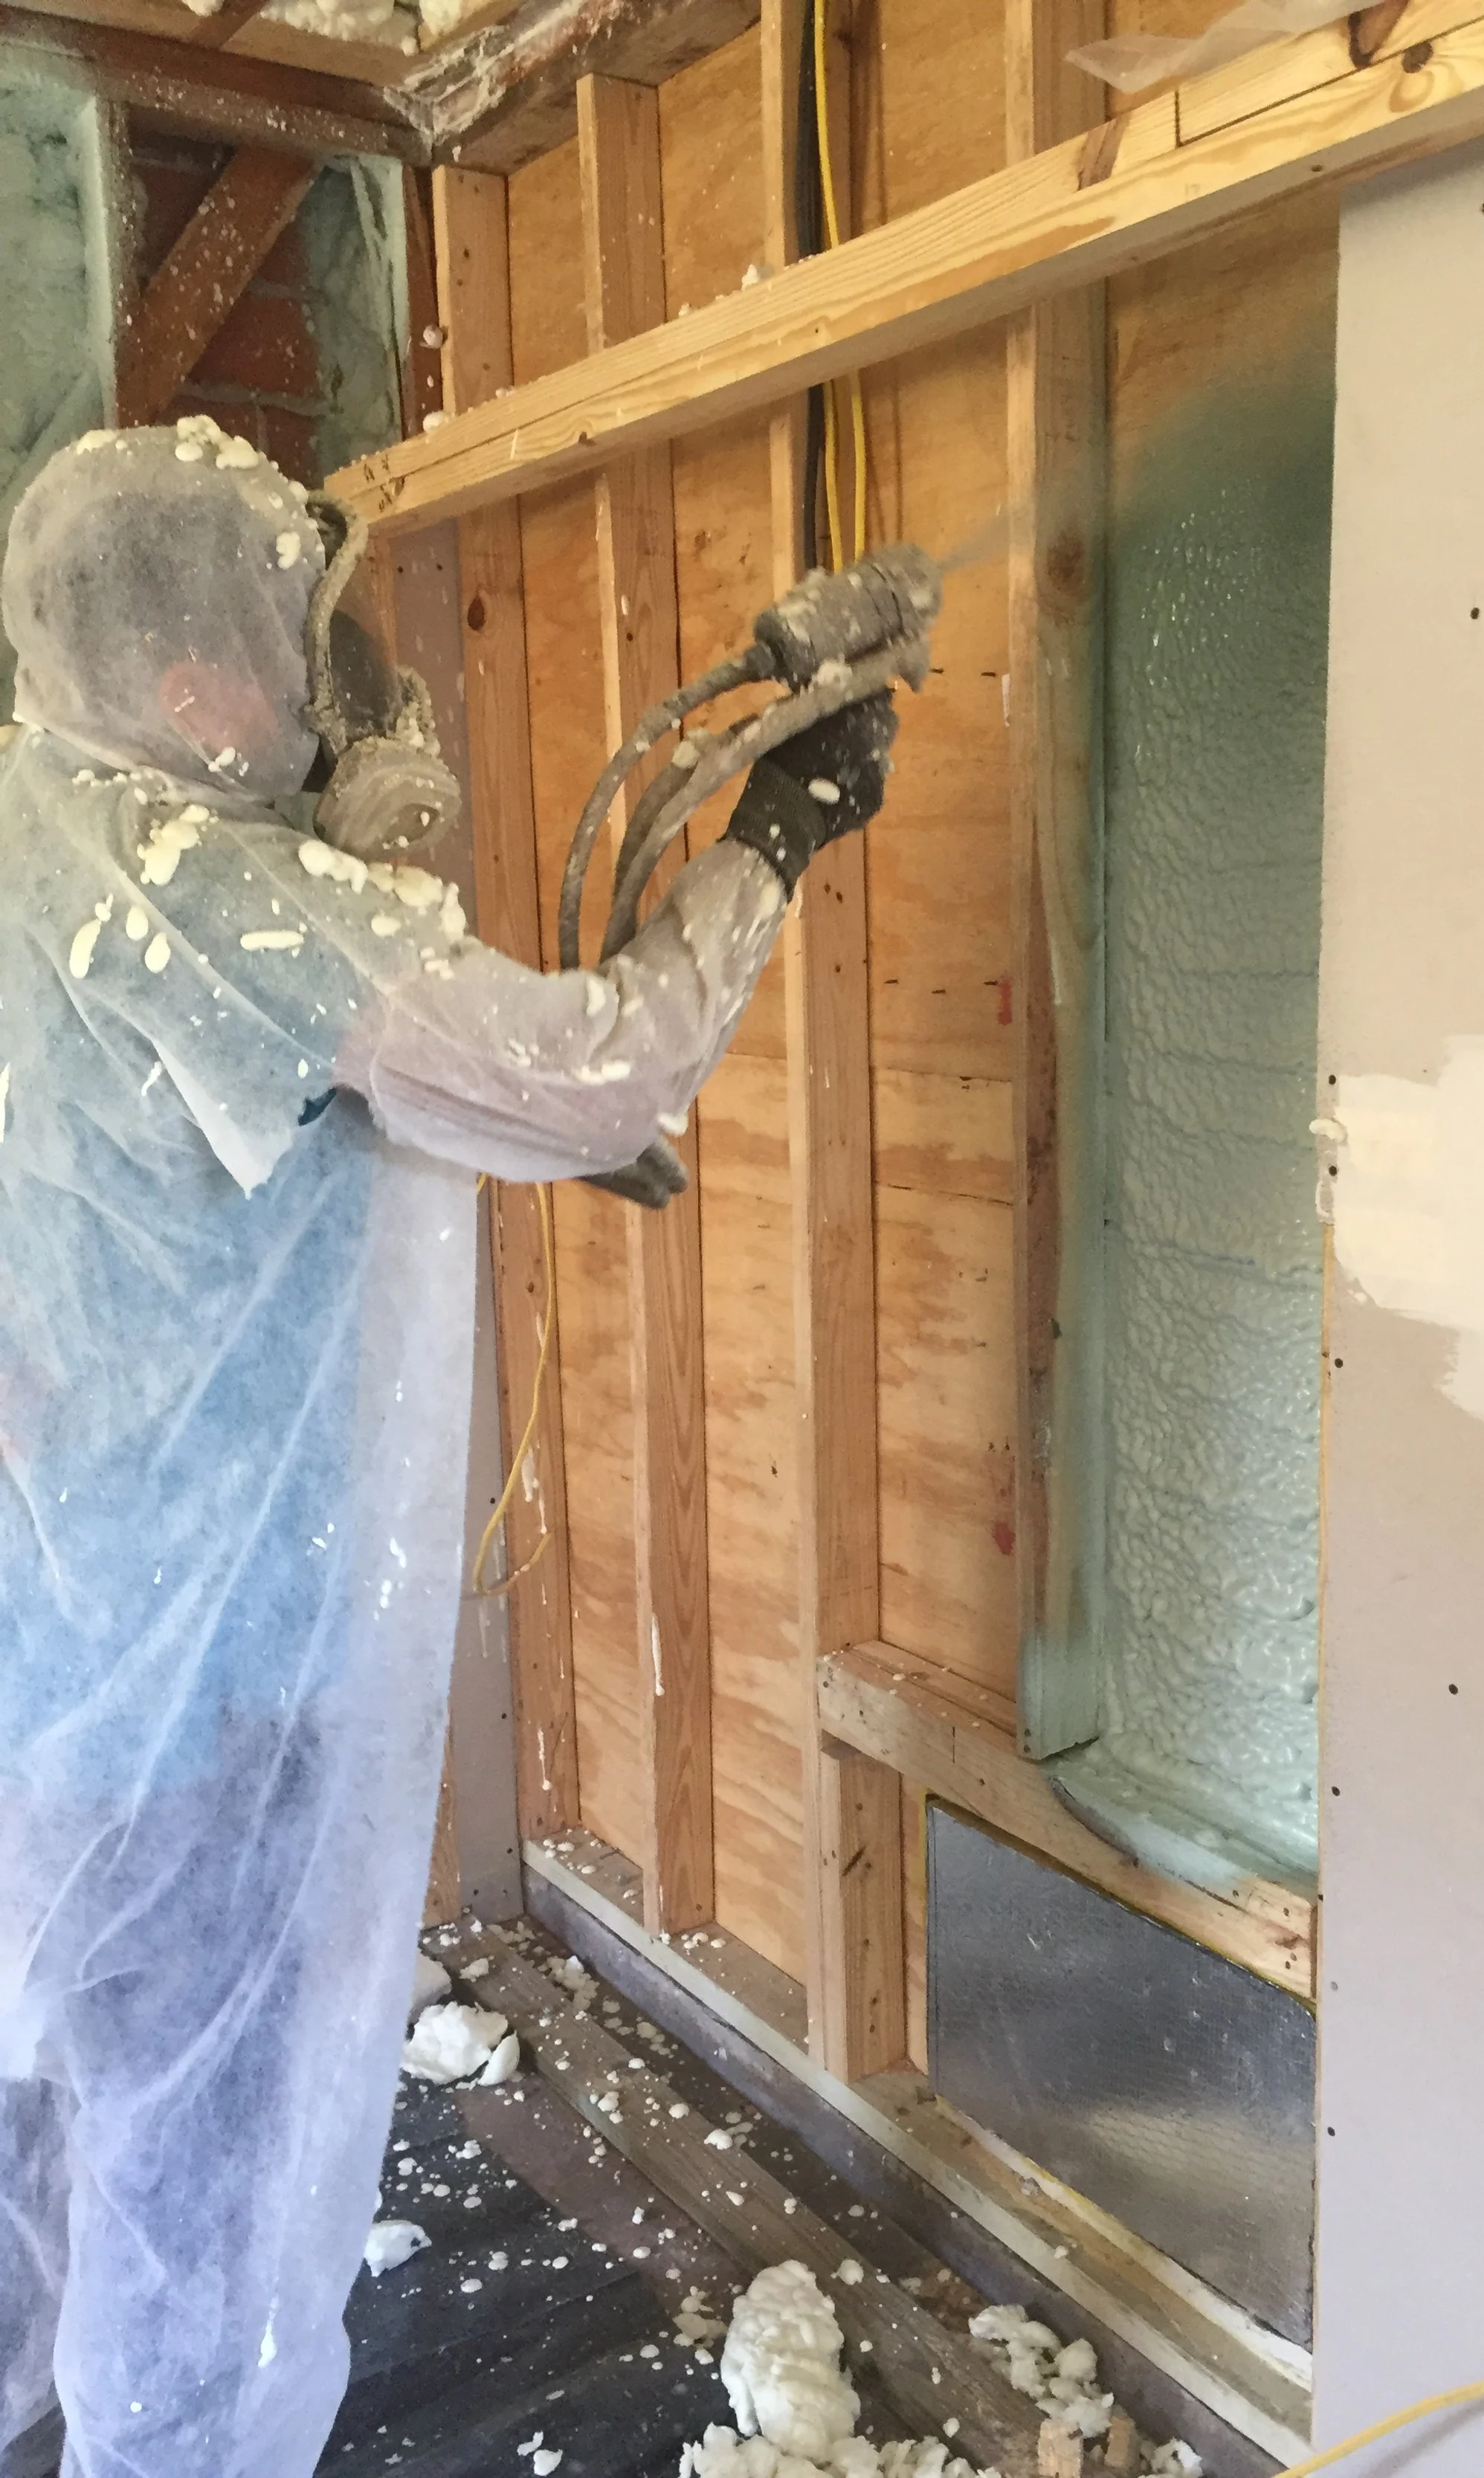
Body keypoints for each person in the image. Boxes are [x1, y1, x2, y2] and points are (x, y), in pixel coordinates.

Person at [0, 418, 897, 2478]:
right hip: (191, 1686)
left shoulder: (31, 804)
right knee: (196, 2167)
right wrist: (775, 825)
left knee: (41, 2092)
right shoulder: (237, 899)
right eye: (286, 652)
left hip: (39, 1639)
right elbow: (602, 1072)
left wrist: (349, 810)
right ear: (200, 688)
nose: (322, 688)